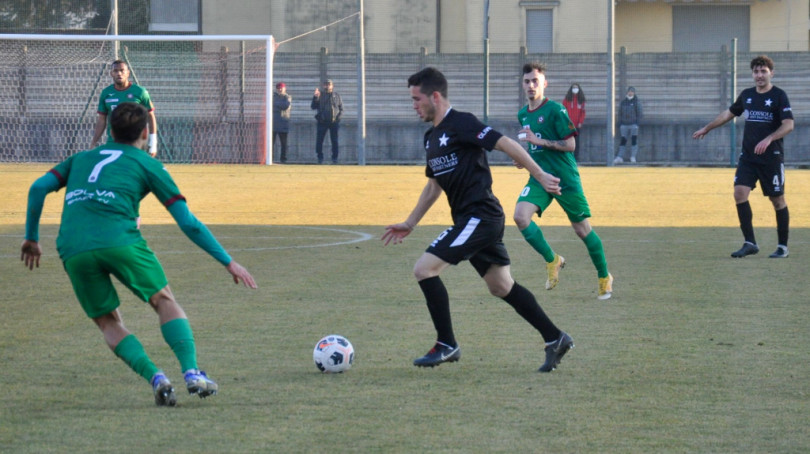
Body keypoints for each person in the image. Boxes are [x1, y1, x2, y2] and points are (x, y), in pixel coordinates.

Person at [21, 103, 258, 407]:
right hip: (120, 241)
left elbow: (38, 187)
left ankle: (156, 377)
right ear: (146, 132)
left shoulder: (79, 159)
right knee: (163, 300)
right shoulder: (149, 164)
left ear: (109, 130)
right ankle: (191, 373)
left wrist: (31, 236)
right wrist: (229, 261)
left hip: (74, 247)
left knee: (108, 322)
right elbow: (188, 222)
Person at [382, 67, 573, 373]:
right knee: (500, 285)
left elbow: (506, 143)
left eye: (417, 99)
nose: (413, 105)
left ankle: (447, 344)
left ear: (435, 96)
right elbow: (434, 185)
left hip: (480, 217)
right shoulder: (431, 137)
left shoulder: (462, 123)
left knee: (424, 269)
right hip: (471, 220)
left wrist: (539, 174)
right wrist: (410, 222)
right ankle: (555, 338)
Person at [516, 62, 613, 300]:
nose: (531, 85)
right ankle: (553, 260)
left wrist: (541, 142)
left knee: (582, 230)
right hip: (539, 177)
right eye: (527, 81)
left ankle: (604, 276)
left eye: (535, 81)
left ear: (544, 84)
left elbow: (570, 145)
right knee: (520, 216)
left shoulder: (556, 111)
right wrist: (524, 159)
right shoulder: (522, 114)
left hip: (564, 178)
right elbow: (529, 147)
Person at [693, 55, 794, 259]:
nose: (759, 75)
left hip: (771, 158)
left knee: (777, 200)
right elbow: (728, 114)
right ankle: (750, 243)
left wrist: (769, 138)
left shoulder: (779, 96)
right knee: (739, 193)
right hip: (748, 157)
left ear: (771, 73)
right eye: (756, 71)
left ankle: (782, 247)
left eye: (763, 71)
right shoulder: (747, 95)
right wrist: (707, 128)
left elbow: (788, 124)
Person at [92, 60, 158, 157]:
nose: (119, 73)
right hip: (113, 142)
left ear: (128, 73)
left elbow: (150, 116)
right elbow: (102, 120)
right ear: (111, 74)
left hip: (135, 142)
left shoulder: (140, 92)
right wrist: (93, 142)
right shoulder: (106, 93)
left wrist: (153, 142)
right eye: (116, 71)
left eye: (122, 70)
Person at [310, 79, 343, 164]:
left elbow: (341, 108)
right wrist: (315, 97)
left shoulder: (336, 95)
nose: (327, 86)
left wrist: (338, 118)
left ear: (332, 86)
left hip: (334, 122)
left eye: (329, 84)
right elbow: (313, 107)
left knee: (334, 141)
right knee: (319, 141)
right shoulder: (320, 95)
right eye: (326, 84)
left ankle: (335, 158)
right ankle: (320, 158)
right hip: (322, 122)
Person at [613, 86, 642, 164]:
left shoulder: (636, 102)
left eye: (632, 91)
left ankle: (633, 157)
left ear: (634, 93)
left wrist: (637, 124)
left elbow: (639, 113)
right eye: (629, 91)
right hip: (624, 125)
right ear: (627, 92)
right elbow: (619, 113)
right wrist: (620, 123)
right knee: (623, 141)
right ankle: (620, 157)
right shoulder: (623, 102)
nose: (630, 93)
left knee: (634, 141)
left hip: (633, 125)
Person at [562, 83, 586, 161]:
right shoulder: (567, 100)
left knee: (577, 142)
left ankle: (576, 158)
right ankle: (568, 157)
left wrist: (580, 122)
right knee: (568, 141)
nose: (575, 89)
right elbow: (563, 112)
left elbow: (583, 112)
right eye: (574, 88)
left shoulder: (581, 100)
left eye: (576, 88)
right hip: (569, 125)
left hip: (577, 125)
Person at [273, 82, 292, 163]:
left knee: (283, 143)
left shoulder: (287, 97)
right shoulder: (273, 96)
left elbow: (286, 106)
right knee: (271, 143)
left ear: (285, 88)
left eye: (281, 88)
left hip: (283, 123)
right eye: (278, 88)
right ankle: (271, 158)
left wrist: (275, 104)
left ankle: (283, 159)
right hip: (273, 124)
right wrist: (278, 105)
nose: (280, 89)